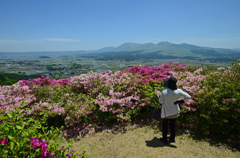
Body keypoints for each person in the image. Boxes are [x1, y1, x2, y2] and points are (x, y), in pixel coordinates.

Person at [159, 76, 191, 144]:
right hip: (174, 111)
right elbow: (188, 97)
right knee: (173, 125)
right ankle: (172, 138)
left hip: (166, 112)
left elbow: (160, 101)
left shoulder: (164, 91)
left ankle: (164, 139)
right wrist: (179, 101)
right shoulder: (178, 91)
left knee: (165, 125)